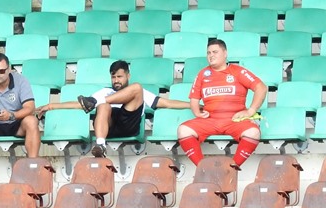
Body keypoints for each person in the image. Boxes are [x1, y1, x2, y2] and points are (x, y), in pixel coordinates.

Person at [36, 59, 190, 157]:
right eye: (113, 77)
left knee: (136, 88)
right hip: (108, 127)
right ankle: (100, 145)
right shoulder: (105, 91)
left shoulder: (136, 90)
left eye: (119, 77)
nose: (116, 80)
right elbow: (80, 105)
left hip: (128, 124)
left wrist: (192, 105)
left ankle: (98, 106)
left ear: (128, 76)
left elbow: (166, 103)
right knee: (103, 105)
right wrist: (51, 106)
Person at [177, 38, 267, 167]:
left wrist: (250, 111)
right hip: (211, 119)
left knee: (253, 132)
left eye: (215, 52)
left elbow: (261, 88)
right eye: (208, 53)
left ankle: (232, 168)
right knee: (183, 130)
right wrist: (197, 113)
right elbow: (194, 98)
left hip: (234, 119)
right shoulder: (203, 73)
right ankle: (203, 168)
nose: (211, 55)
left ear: (225, 53)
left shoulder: (237, 71)